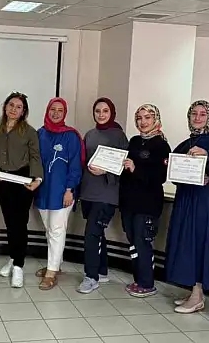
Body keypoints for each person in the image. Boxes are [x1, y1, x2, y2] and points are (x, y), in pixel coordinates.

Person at [165, 100, 209, 313]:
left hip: (201, 199)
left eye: (203, 114)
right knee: (185, 241)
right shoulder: (186, 143)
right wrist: (171, 166)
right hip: (185, 197)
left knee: (198, 242)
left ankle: (197, 295)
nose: (197, 118)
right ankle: (195, 292)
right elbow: (176, 176)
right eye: (194, 113)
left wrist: (208, 156)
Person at [77, 97, 128, 294]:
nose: (101, 114)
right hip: (88, 192)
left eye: (105, 111)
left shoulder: (119, 136)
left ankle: (91, 277)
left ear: (112, 113)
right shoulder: (90, 134)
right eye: (97, 111)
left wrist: (105, 170)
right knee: (97, 233)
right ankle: (102, 270)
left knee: (91, 234)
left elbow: (124, 166)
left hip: (107, 193)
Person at [120, 104, 171, 298]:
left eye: (148, 117)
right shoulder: (134, 141)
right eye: (139, 118)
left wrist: (136, 169)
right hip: (129, 202)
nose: (143, 122)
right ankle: (138, 279)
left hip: (147, 204)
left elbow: (160, 176)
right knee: (133, 242)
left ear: (155, 119)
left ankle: (147, 283)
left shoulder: (161, 145)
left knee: (143, 242)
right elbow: (125, 171)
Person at [0, 92, 43, 288]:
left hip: (23, 181)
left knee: (20, 223)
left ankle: (19, 266)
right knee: (9, 222)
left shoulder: (29, 132)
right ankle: (13, 258)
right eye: (11, 105)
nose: (14, 109)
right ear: (5, 107)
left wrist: (37, 179)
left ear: (23, 112)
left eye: (19, 107)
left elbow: (35, 156)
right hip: (4, 180)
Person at [33, 97, 84, 290]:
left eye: (60, 110)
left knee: (57, 230)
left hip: (62, 192)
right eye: (52, 109)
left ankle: (51, 272)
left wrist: (70, 189)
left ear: (65, 113)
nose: (55, 113)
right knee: (50, 230)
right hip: (43, 190)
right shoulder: (40, 133)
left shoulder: (71, 136)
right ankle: (55, 264)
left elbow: (76, 166)